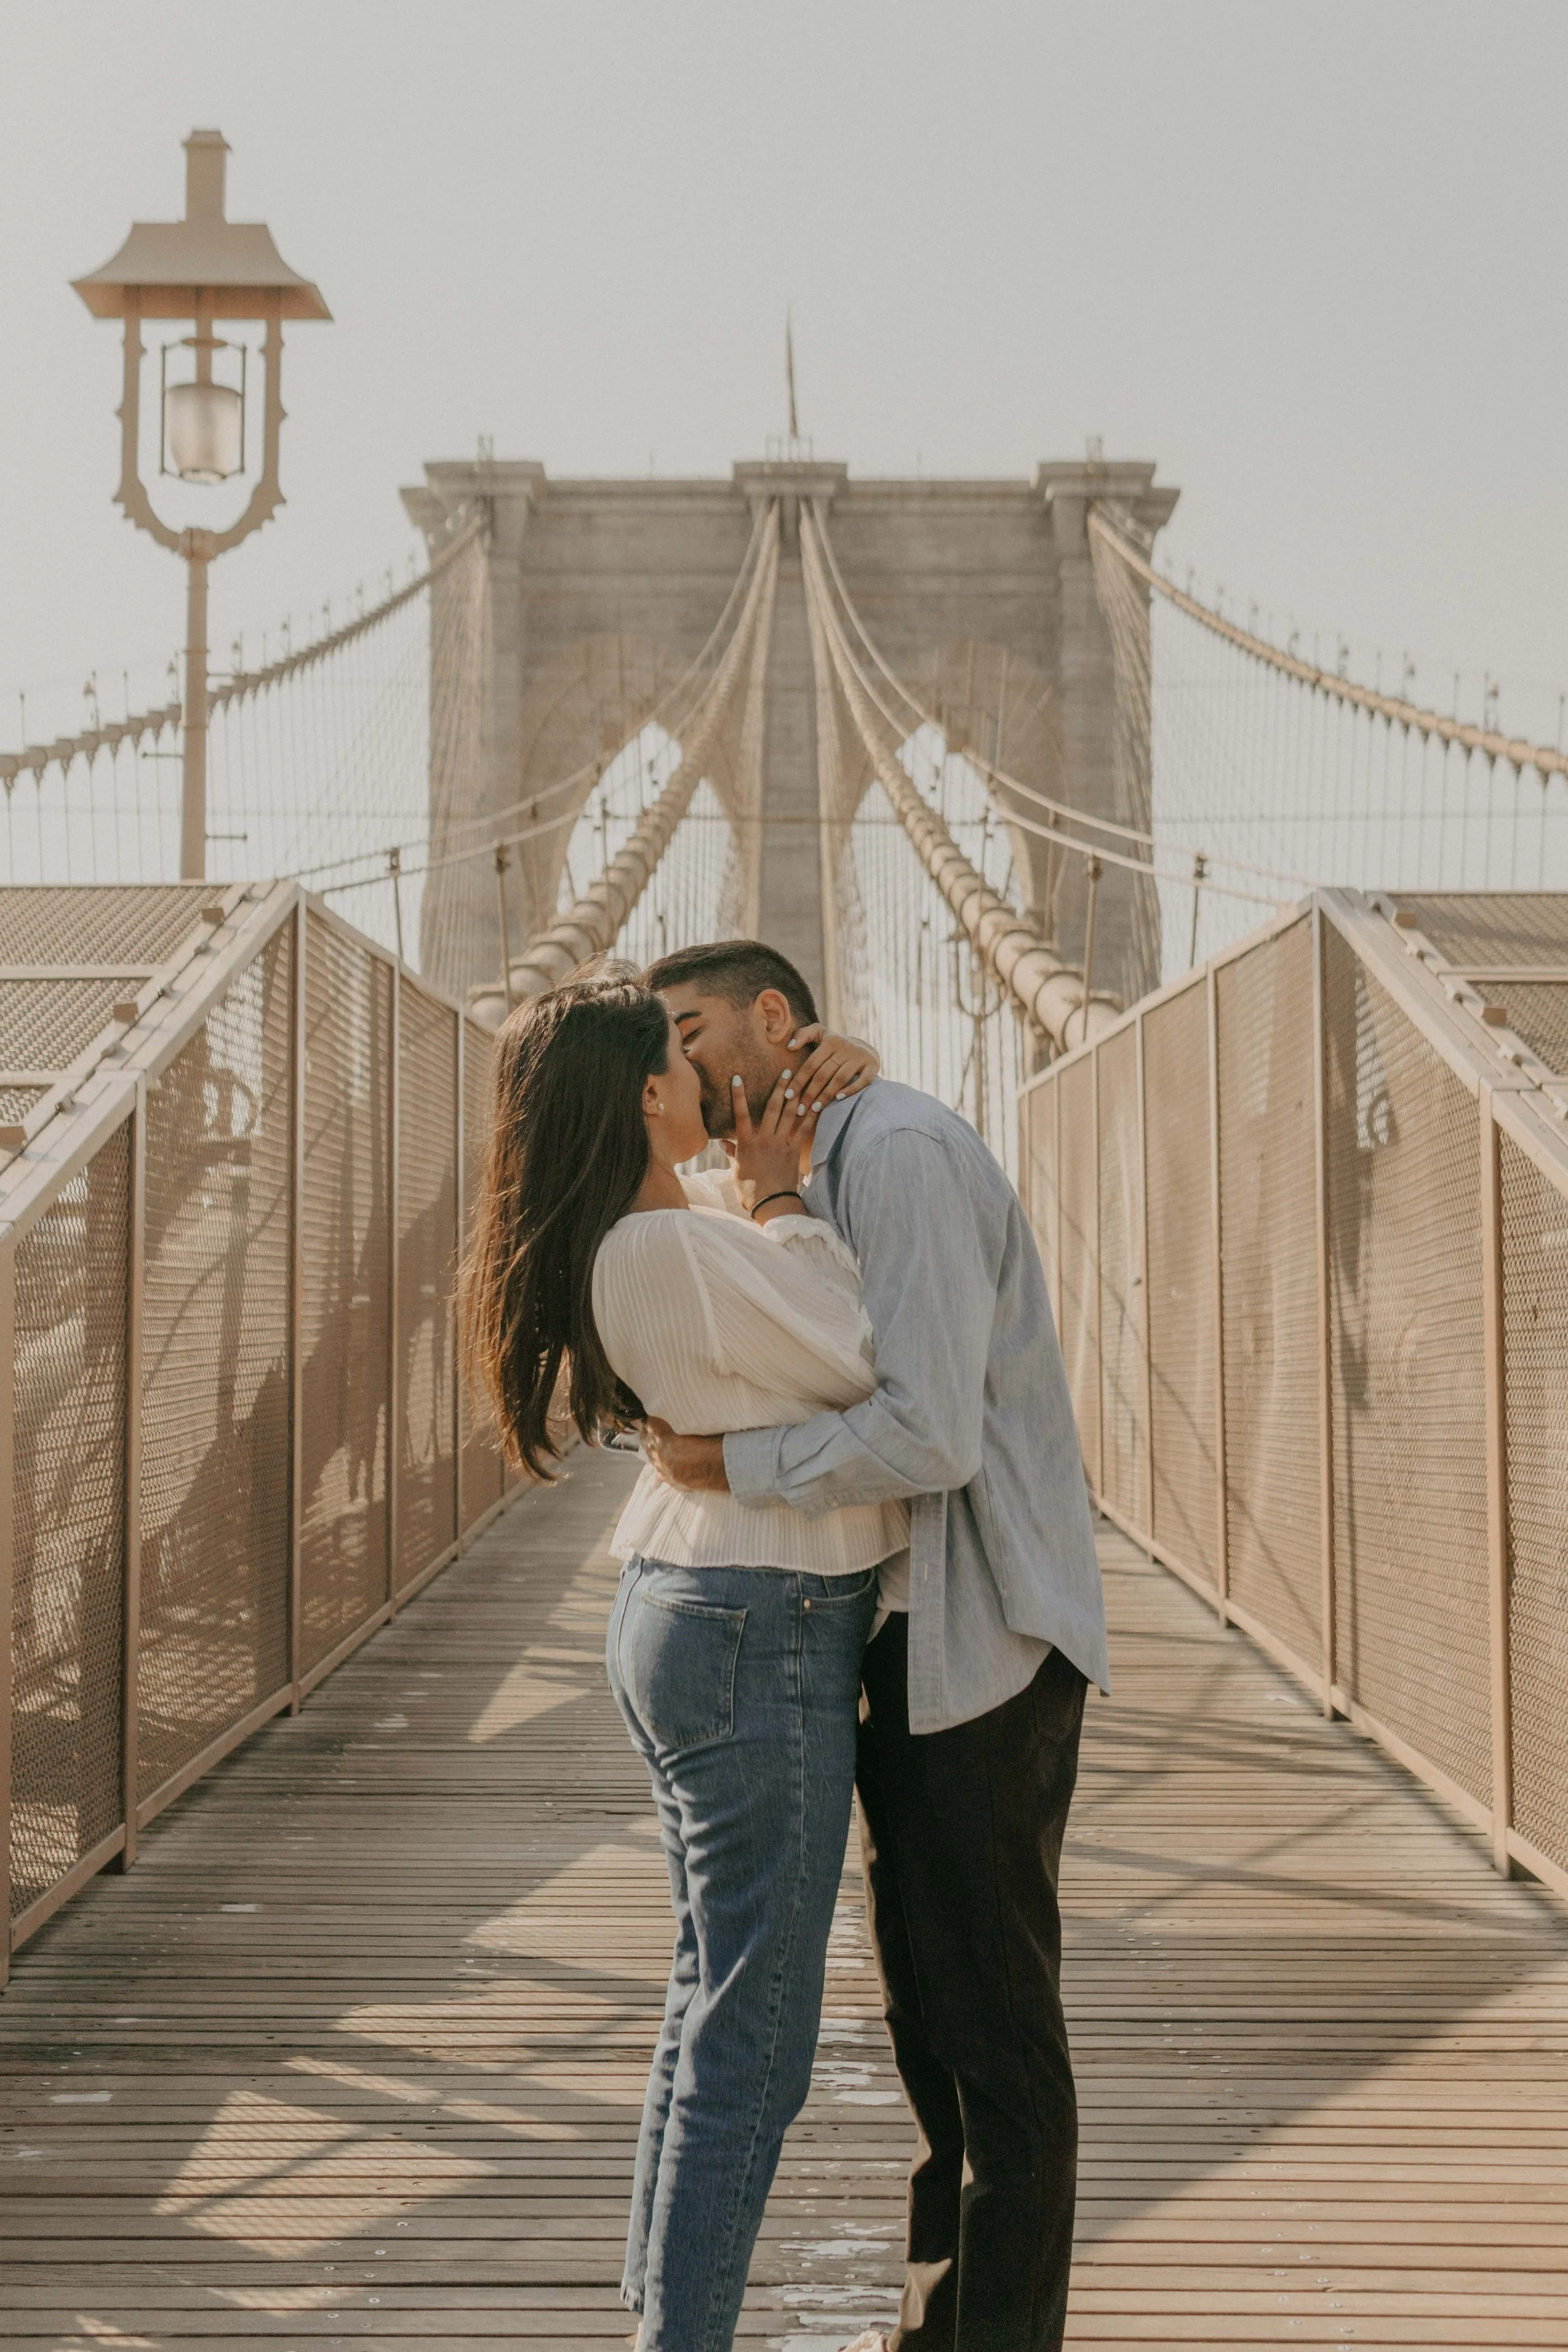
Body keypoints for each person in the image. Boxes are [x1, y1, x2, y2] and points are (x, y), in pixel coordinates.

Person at [640, 939, 1110, 2352]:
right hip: (909, 1640)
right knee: (932, 2028)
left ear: (776, 1022)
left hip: (981, 1643)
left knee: (995, 2040)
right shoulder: (809, 1149)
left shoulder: (897, 1152)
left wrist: (735, 1464)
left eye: (693, 1029)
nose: (678, 1059)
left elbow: (928, 1433)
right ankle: (940, 2324)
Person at [460, 971, 901, 2352]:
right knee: (754, 2043)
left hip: (710, 1615)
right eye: (679, 1050)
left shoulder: (666, 1225)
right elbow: (863, 1351)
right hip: (748, 1627)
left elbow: (769, 1244)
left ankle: (664, 2320)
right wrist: (782, 1198)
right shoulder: (671, 1250)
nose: (704, 1068)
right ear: (647, 1094)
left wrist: (839, 1076)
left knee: (709, 2004)